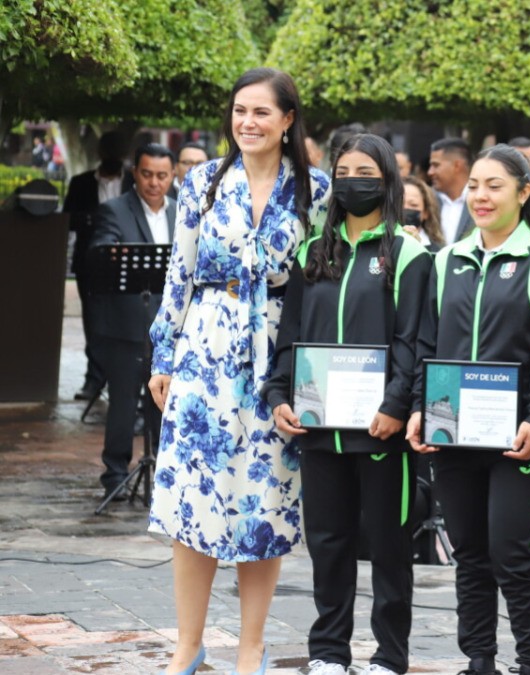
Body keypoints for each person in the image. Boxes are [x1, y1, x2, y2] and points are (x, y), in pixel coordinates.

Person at [147, 67, 330, 675]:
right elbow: (180, 271)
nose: (247, 122)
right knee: (192, 502)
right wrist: (163, 355)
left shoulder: (315, 191)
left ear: (287, 120)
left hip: (277, 357)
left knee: (264, 502)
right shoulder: (202, 181)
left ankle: (252, 647)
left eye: (261, 112)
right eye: (239, 111)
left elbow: (324, 279)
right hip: (204, 350)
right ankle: (188, 643)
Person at [263, 133, 430, 675]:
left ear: (387, 180)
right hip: (318, 429)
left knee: (388, 546)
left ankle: (389, 656)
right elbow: (290, 335)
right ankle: (328, 652)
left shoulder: (408, 254)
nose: (352, 182)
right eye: (343, 172)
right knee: (328, 544)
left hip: (381, 429)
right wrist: (279, 394)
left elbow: (413, 339)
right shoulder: (312, 251)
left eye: (366, 173)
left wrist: (397, 404)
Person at [405, 144, 530, 675]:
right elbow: (427, 345)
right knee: (469, 551)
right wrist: (420, 408)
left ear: (525, 192)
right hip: (453, 430)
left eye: (494, 186)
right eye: (474, 185)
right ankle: (479, 659)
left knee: (511, 551)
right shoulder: (445, 261)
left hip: (518, 434)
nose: (480, 195)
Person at [90, 143, 177, 502]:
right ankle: (115, 474)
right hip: (126, 326)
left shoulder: (182, 212)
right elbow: (99, 252)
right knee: (123, 406)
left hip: (169, 329)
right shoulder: (114, 209)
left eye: (162, 175)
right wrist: (115, 253)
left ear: (172, 176)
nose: (154, 183)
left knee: (165, 405)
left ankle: (165, 475)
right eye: (147, 174)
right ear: (134, 174)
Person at [64, 130, 129, 402]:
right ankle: (94, 379)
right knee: (93, 321)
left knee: (125, 319)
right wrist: (96, 221)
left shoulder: (134, 181)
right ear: (100, 153)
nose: (114, 157)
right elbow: (68, 219)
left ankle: (121, 379)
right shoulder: (81, 183)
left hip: (126, 263)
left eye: (118, 153)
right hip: (90, 262)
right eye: (109, 152)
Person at [428, 138, 475, 244]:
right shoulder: (428, 201)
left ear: (457, 165)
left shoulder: (481, 200)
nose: (430, 172)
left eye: (436, 165)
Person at [401, 176, 446, 252]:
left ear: (426, 212)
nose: (405, 208)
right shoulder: (382, 242)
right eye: (400, 203)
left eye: (413, 205)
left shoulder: (437, 252)